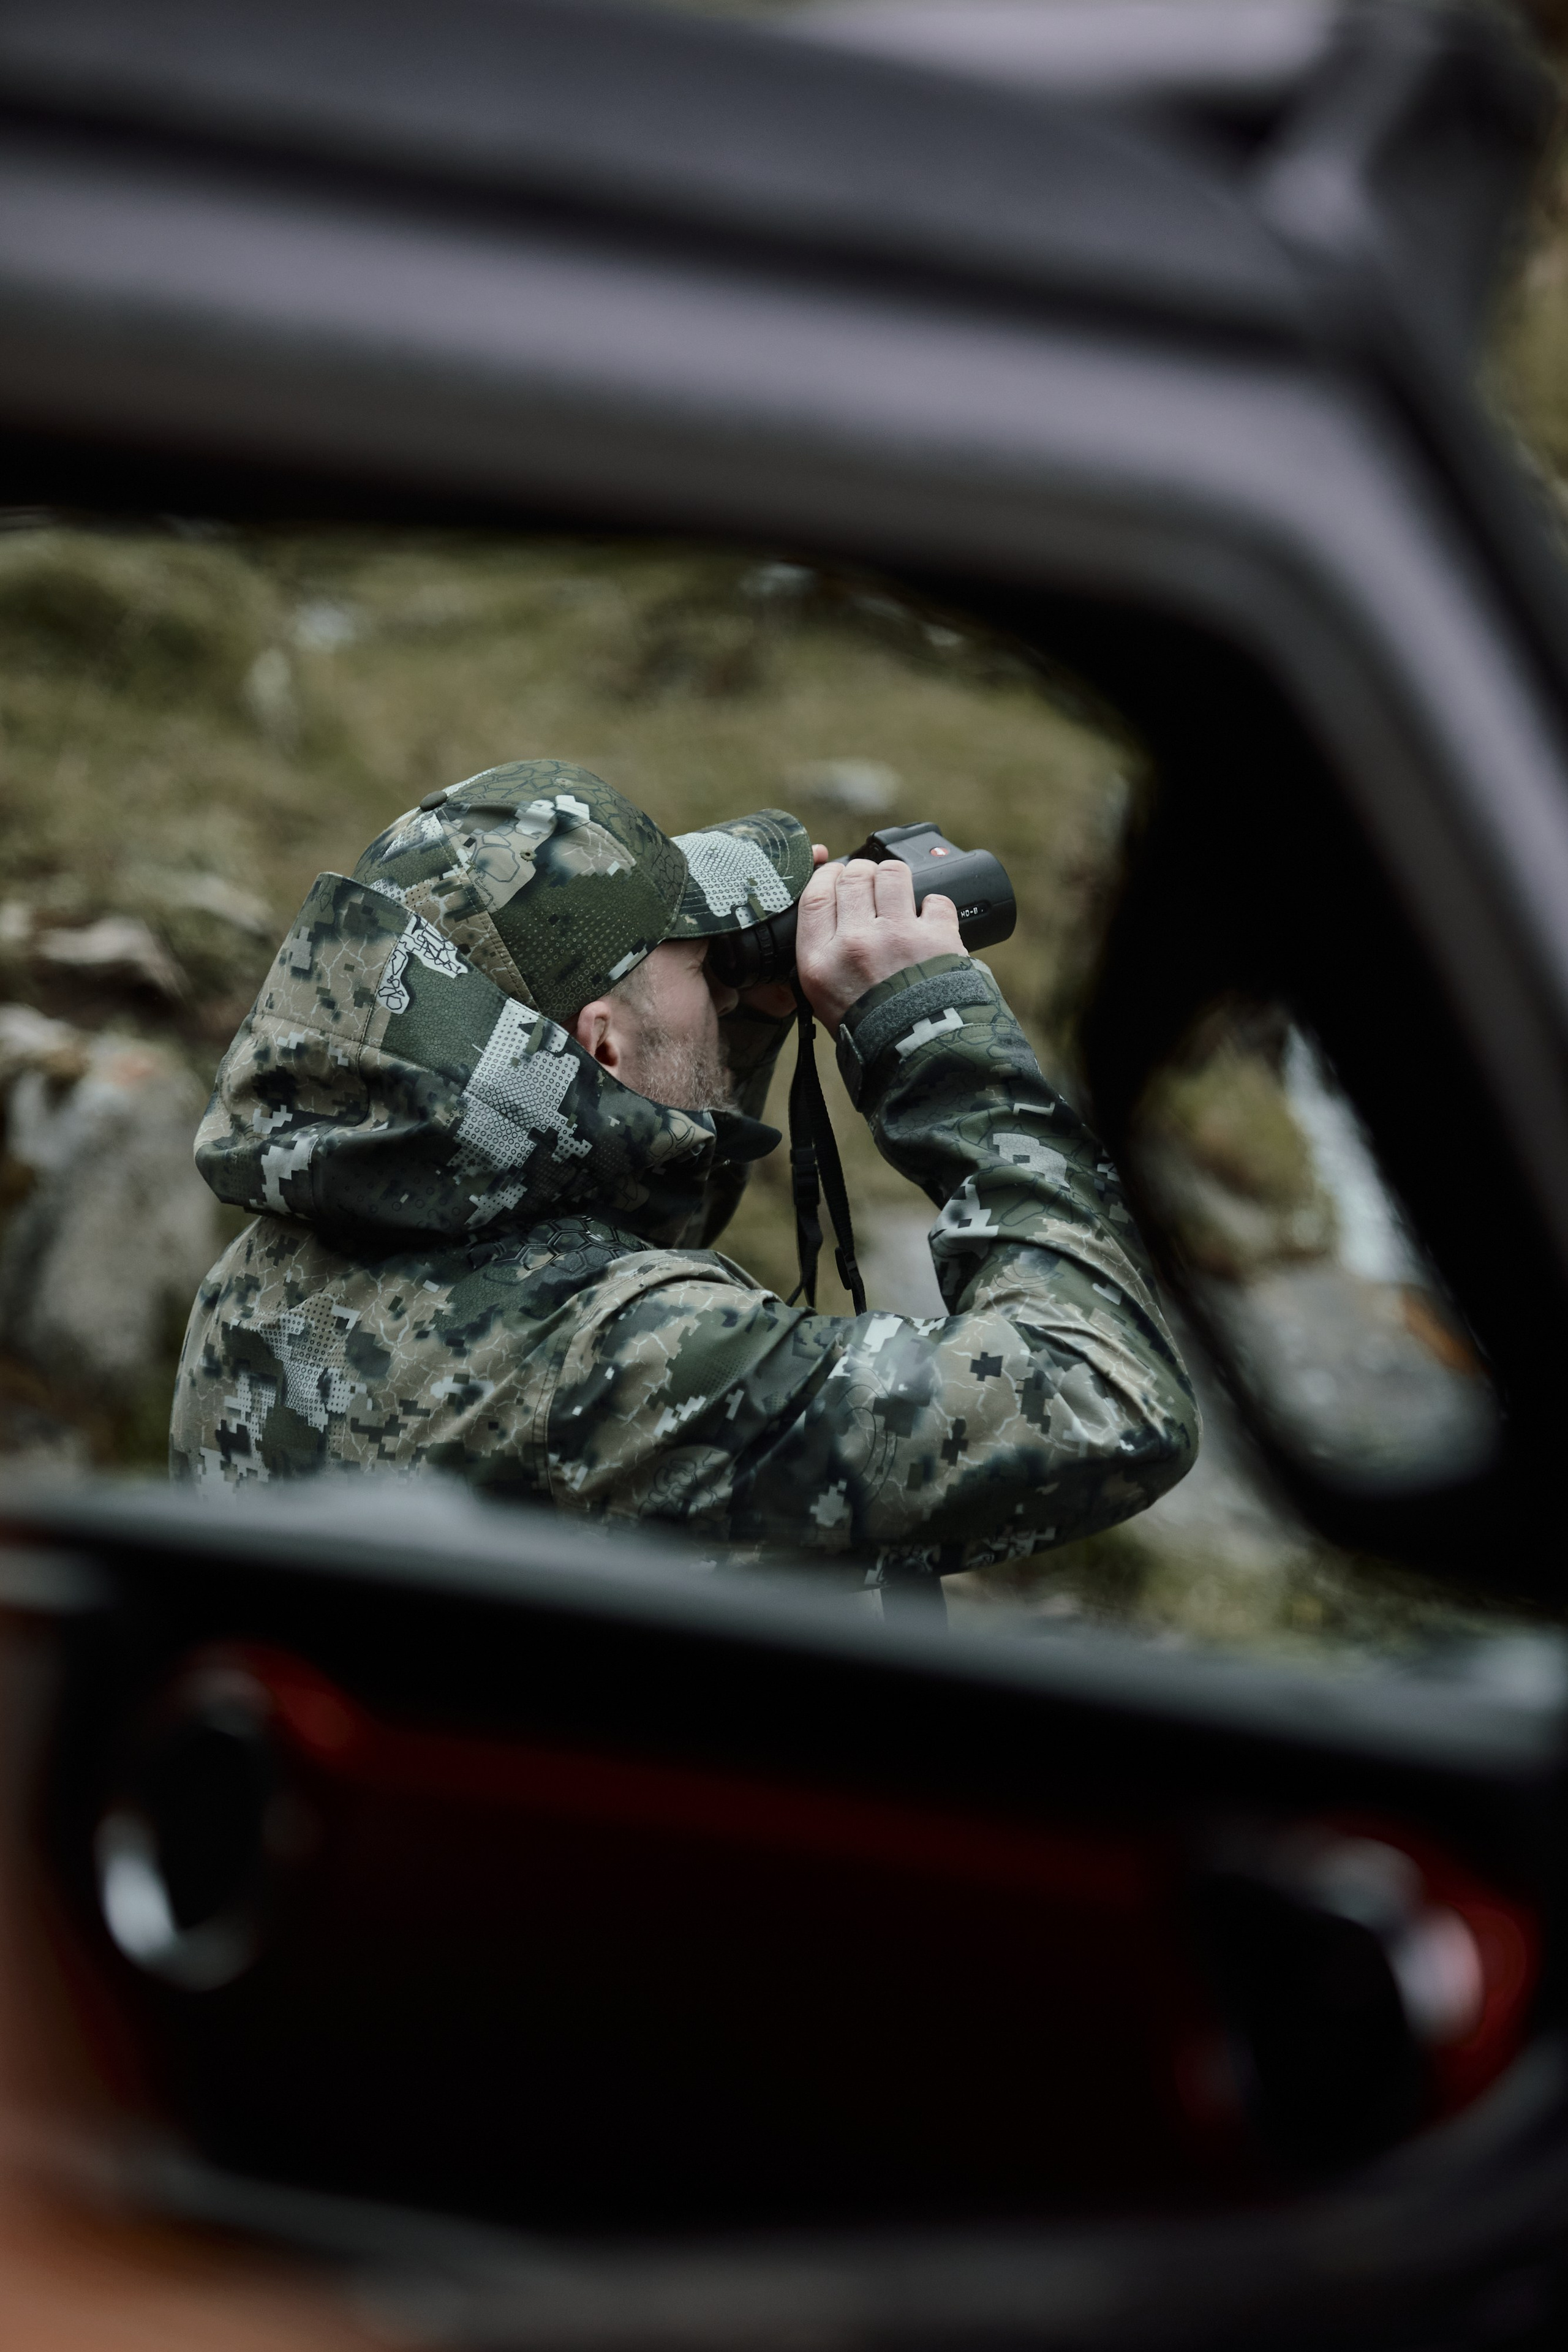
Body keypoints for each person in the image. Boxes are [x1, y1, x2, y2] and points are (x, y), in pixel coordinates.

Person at [171, 760, 1198, 1591]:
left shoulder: (257, 1281)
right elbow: (1109, 1397)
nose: (721, 966)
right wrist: (933, 1036)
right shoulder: (618, 1357)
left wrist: (729, 1030)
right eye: (692, 959)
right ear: (602, 1048)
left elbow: (594, 1203)